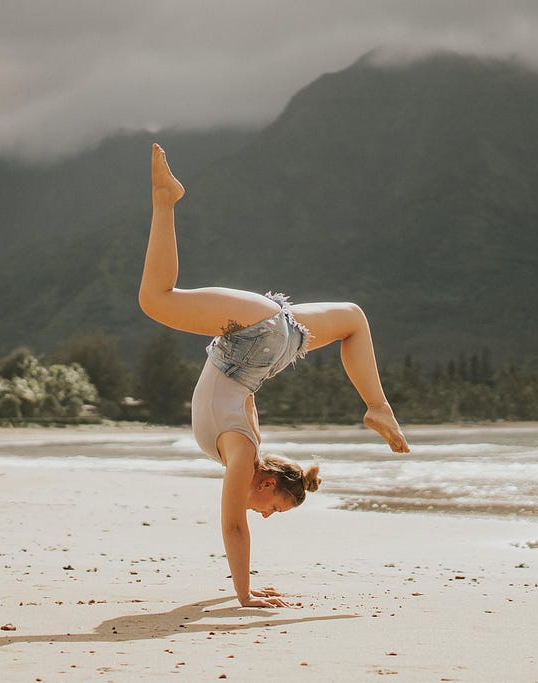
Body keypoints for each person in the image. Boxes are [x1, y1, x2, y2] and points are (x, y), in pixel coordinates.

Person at [138, 144, 409, 607]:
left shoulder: (247, 446)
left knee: (353, 319)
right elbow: (233, 526)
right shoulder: (242, 453)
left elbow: (245, 398)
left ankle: (378, 407)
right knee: (155, 299)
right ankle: (165, 201)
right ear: (265, 483)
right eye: (274, 508)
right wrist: (244, 596)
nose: (264, 515)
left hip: (276, 341)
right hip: (255, 339)